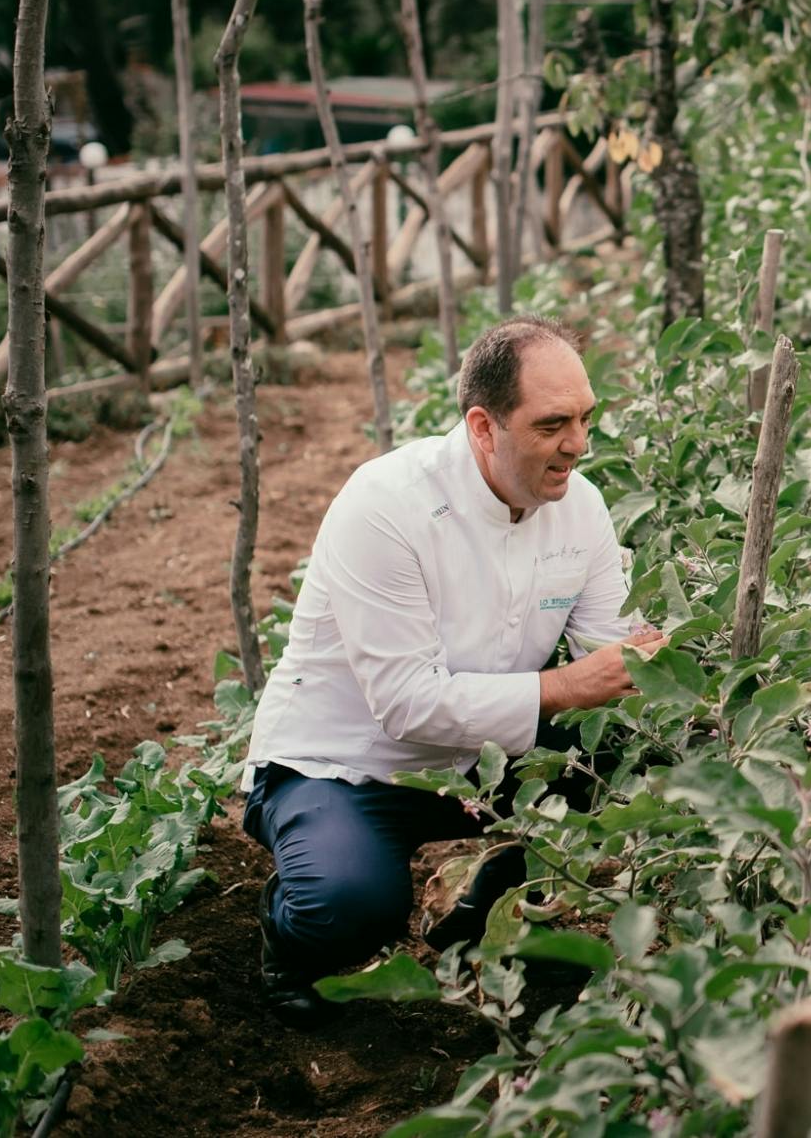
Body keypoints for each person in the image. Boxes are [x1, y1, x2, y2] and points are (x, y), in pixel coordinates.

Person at [242, 315, 663, 1025]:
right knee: (352, 903)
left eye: (588, 417)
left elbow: (614, 647)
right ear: (482, 426)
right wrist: (563, 685)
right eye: (554, 423)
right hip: (348, 766)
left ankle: (484, 909)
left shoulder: (579, 507)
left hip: (485, 760)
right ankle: (290, 937)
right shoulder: (386, 507)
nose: (579, 444)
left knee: (628, 757)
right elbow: (405, 704)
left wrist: (661, 657)